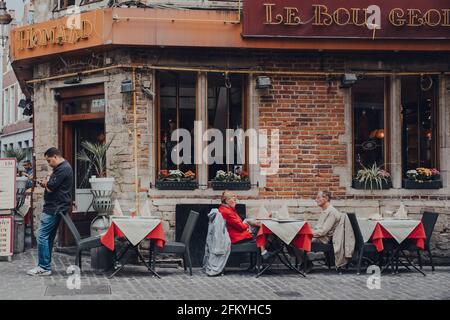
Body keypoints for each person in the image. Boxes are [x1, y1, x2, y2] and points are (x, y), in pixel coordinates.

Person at [27, 148, 74, 276]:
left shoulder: (63, 168)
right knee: (48, 237)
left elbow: (52, 187)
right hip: (56, 207)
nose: (49, 163)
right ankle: (45, 266)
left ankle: (43, 267)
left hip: (54, 207)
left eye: (49, 160)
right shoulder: (61, 168)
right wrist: (47, 183)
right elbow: (52, 185)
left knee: (41, 235)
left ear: (55, 157)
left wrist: (46, 184)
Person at [218, 190, 276, 260]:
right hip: (237, 238)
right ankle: (264, 251)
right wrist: (247, 226)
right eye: (234, 200)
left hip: (237, 234)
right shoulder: (227, 212)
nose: (236, 202)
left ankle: (264, 251)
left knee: (260, 226)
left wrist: (246, 225)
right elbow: (240, 227)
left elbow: (239, 224)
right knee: (263, 228)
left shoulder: (225, 209)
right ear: (227, 201)